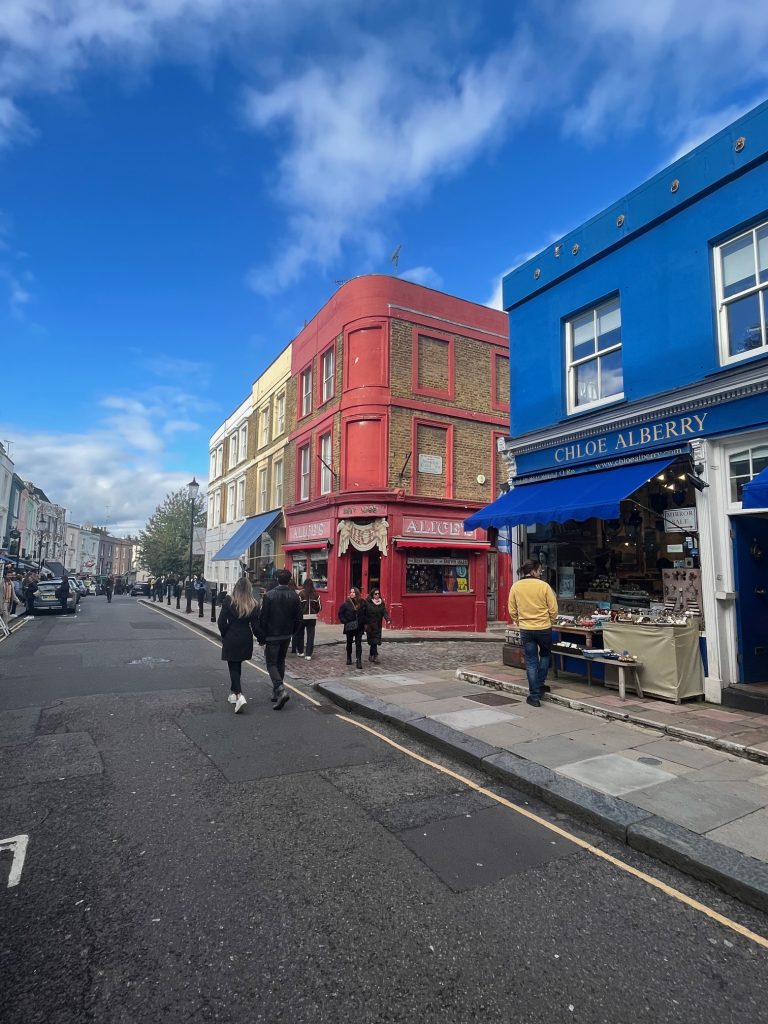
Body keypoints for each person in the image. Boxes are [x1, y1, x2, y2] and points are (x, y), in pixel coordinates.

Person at [508, 559, 558, 708]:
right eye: (540, 570)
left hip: (526, 629)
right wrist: (550, 621)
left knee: (531, 661)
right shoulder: (544, 586)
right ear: (534, 571)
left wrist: (519, 622)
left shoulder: (516, 587)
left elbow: (512, 610)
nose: (541, 573)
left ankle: (534, 696)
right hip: (544, 628)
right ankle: (540, 684)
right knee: (544, 656)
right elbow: (554, 609)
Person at [258, 569, 303, 710]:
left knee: (271, 663)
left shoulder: (269, 596)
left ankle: (280, 689)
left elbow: (263, 618)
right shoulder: (295, 596)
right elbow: (299, 618)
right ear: (289, 580)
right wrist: (293, 631)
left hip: (272, 635)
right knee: (281, 661)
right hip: (286, 635)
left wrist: (262, 635)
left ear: (277, 579)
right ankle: (276, 692)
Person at [217, 576, 262, 713]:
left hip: (232, 635)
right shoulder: (254, 603)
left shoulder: (229, 600)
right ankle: (233, 694)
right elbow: (255, 626)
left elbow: (221, 622)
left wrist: (226, 634)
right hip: (245, 637)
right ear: (249, 589)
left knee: (233, 666)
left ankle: (239, 695)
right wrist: (262, 638)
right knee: (237, 664)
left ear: (236, 587)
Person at [338, 587, 368, 670]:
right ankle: (349, 658)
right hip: (349, 626)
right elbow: (340, 614)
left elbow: (366, 614)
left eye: (353, 592)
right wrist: (345, 622)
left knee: (358, 644)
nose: (351, 593)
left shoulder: (362, 603)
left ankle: (359, 660)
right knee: (349, 643)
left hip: (359, 627)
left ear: (357, 593)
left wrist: (365, 623)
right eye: (351, 592)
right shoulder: (346, 604)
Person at [293, 578, 322, 660]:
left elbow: (297, 606)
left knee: (300, 634)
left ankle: (301, 651)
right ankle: (309, 654)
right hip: (312, 617)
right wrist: (315, 612)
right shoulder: (316, 594)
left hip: (302, 617)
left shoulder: (301, 593)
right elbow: (319, 607)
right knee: (311, 636)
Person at [364, 587, 391, 664]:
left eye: (378, 594)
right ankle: (375, 655)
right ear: (372, 595)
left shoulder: (381, 603)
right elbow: (364, 613)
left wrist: (388, 619)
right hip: (370, 625)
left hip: (378, 625)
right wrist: (364, 623)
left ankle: (371, 655)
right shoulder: (368, 603)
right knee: (373, 641)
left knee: (374, 642)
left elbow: (384, 612)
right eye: (375, 594)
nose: (377, 595)